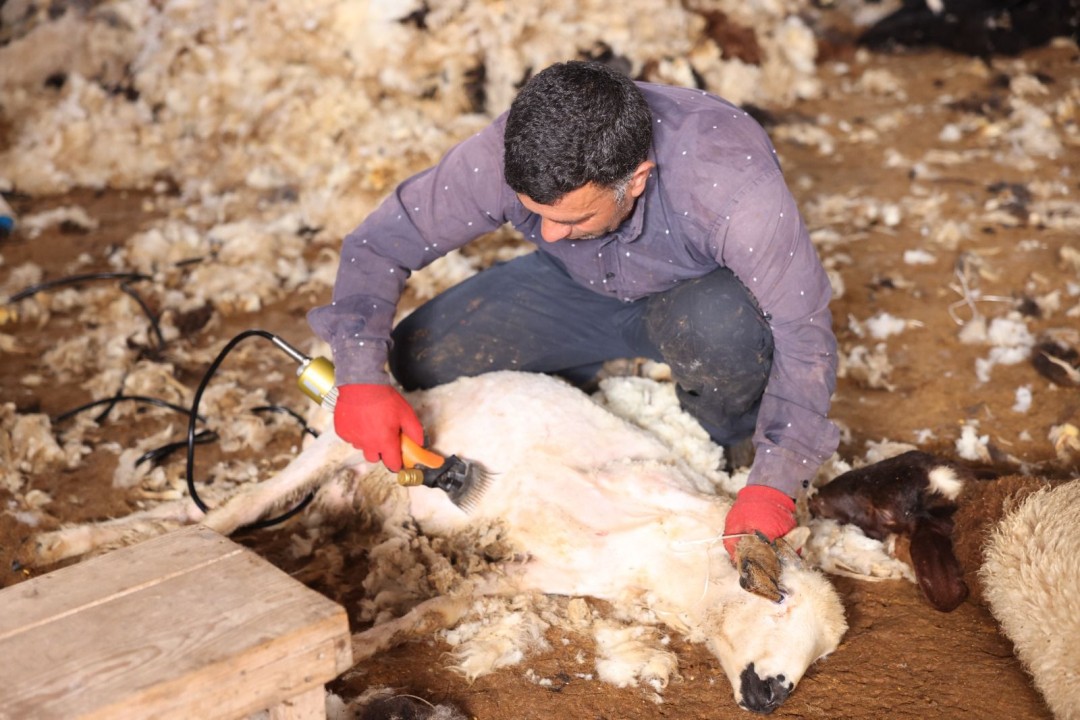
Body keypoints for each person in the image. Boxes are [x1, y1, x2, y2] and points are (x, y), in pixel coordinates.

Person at [308, 60, 840, 559]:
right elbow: (381, 243)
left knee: (725, 331)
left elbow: (805, 334)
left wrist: (775, 482)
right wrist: (361, 377)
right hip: (575, 285)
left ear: (636, 179)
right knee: (418, 361)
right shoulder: (510, 151)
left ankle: (729, 434)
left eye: (572, 219)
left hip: (696, 299)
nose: (548, 233)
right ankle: (597, 366)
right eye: (534, 214)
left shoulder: (731, 185)